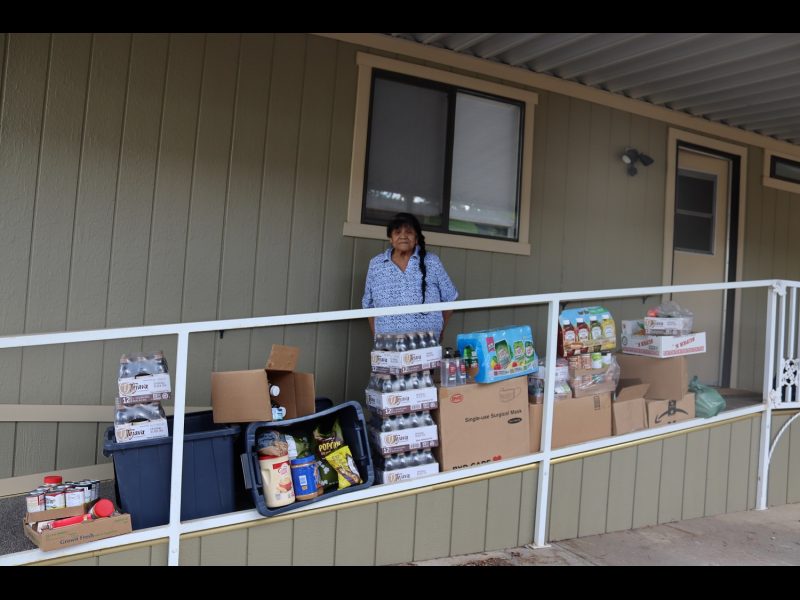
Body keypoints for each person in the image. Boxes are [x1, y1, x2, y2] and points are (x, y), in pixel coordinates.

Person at [362, 212, 458, 341]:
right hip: (388, 347)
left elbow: (450, 298)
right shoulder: (376, 265)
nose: (403, 236)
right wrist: (378, 339)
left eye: (409, 232)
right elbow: (369, 306)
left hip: (426, 345)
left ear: (416, 238)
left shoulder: (432, 262)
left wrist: (439, 329)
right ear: (390, 238)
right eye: (397, 232)